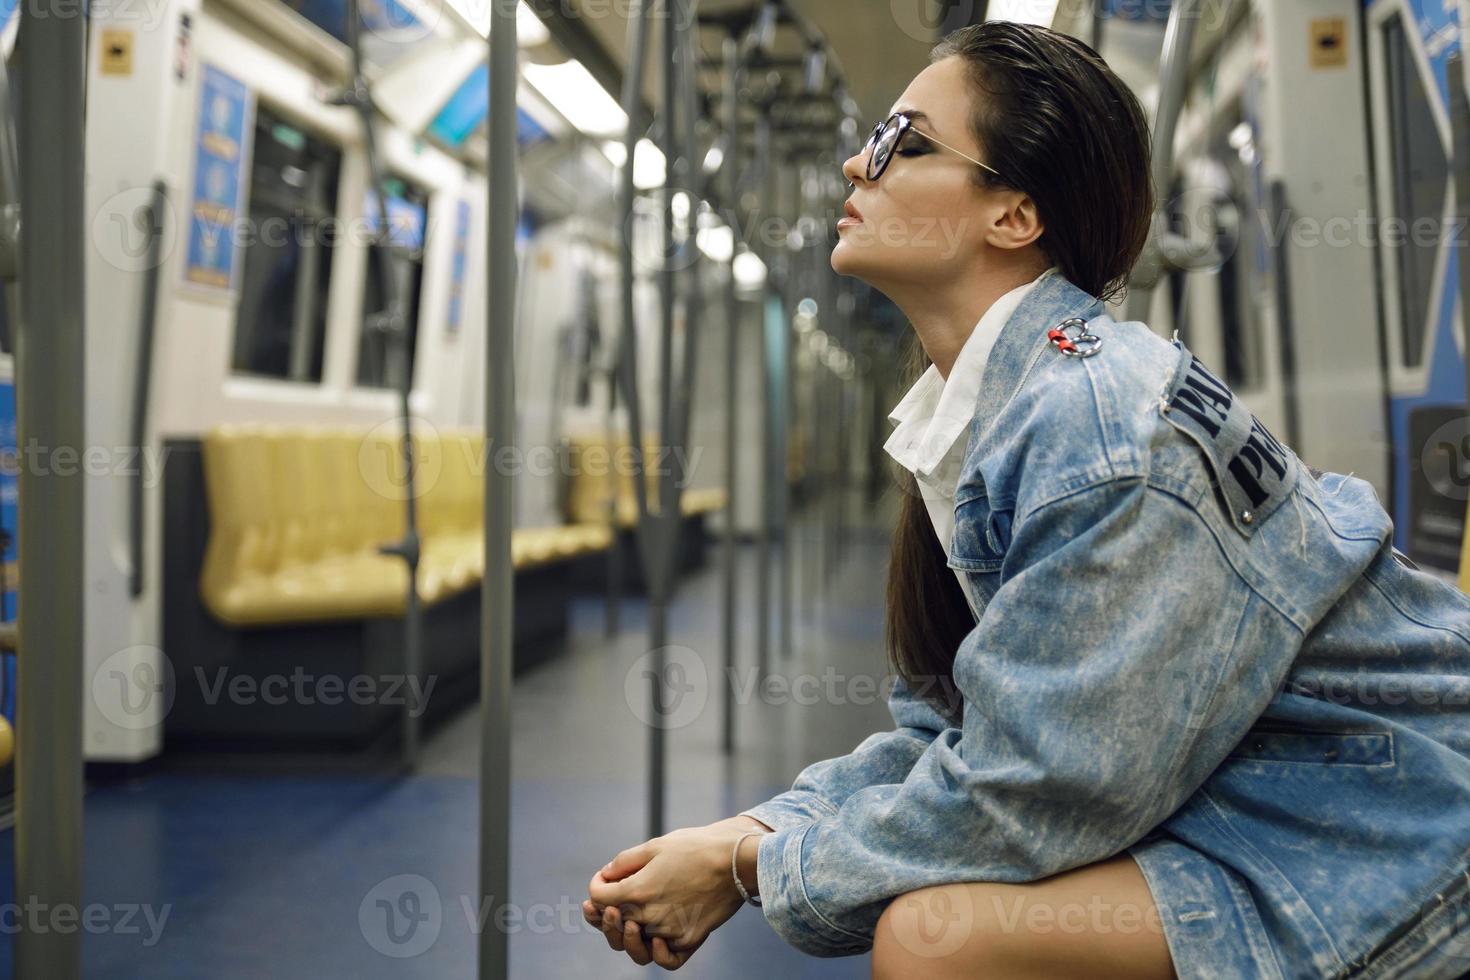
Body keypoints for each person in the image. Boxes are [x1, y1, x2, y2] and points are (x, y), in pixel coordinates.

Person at [583, 20, 1470, 979]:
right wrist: (748, 830)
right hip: (1274, 798)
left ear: (1014, 215)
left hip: (1402, 824)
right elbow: (953, 728)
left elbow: (1029, 794)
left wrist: (752, 866)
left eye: (902, 143)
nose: (855, 161)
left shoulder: (1095, 422)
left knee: (936, 942)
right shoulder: (1003, 412)